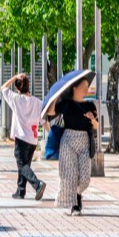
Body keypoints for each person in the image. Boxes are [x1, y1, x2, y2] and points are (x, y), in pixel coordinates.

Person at [50, 72, 100, 215]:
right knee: (70, 175)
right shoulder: (65, 103)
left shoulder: (90, 105)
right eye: (83, 87)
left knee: (84, 178)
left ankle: (77, 193)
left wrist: (92, 119)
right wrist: (55, 98)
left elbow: (96, 127)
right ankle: (75, 205)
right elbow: (52, 112)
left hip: (84, 141)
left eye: (87, 87)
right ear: (74, 88)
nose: (86, 90)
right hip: (68, 141)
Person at [2, 73, 47, 201]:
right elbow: (44, 121)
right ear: (28, 86)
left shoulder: (15, 99)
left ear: (17, 88)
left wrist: (15, 77)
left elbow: (3, 88)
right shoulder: (38, 102)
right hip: (33, 139)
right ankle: (20, 190)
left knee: (22, 164)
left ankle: (37, 184)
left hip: (21, 137)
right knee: (25, 165)